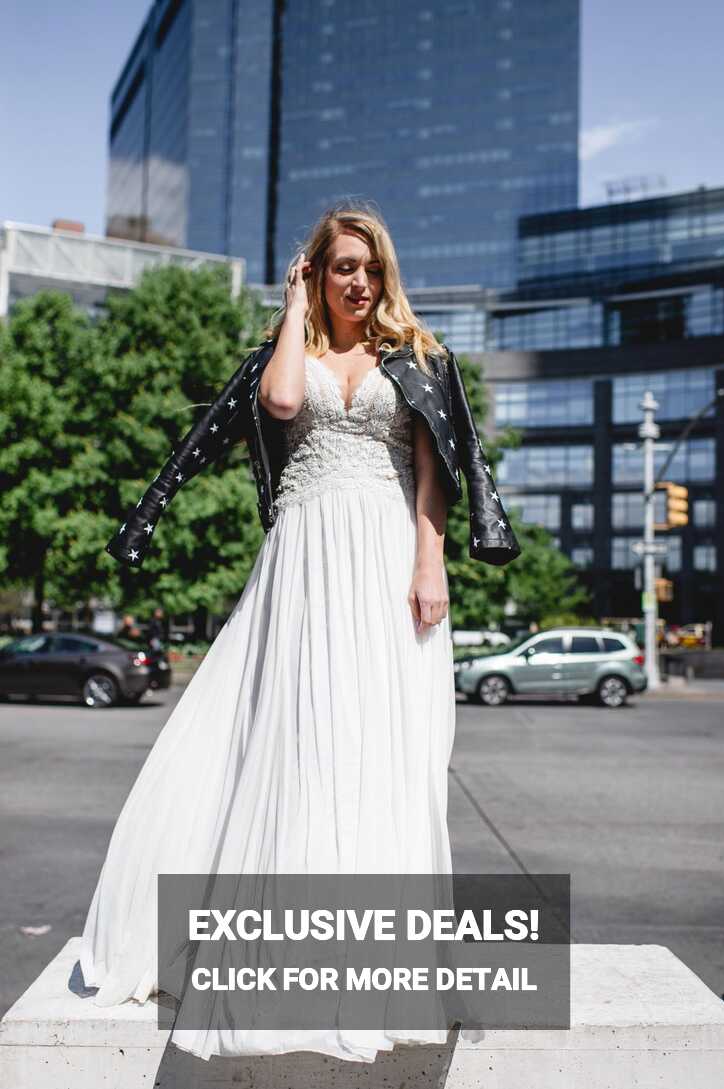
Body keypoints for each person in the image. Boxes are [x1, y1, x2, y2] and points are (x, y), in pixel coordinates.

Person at [79, 201, 519, 1063]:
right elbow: (279, 402)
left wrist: (430, 564)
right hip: (304, 557)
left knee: (378, 747)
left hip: (387, 556)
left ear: (385, 275)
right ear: (314, 271)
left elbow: (435, 472)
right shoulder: (295, 350)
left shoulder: (420, 358)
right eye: (340, 267)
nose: (358, 282)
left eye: (369, 268)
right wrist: (291, 312)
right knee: (290, 738)